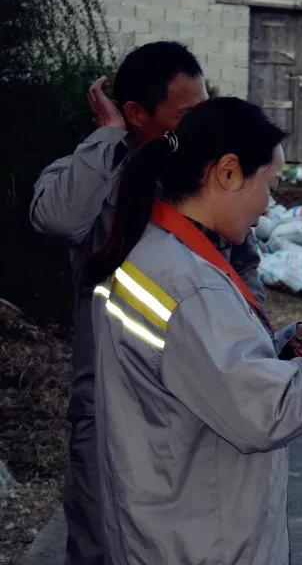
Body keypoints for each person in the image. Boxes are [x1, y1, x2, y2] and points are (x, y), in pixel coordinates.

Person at [83, 96, 302, 564]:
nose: (268, 204)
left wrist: (280, 350)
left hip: (161, 520)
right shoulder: (192, 285)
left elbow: (184, 367)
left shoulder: (151, 254)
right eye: (268, 184)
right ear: (228, 173)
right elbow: (268, 411)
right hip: (200, 541)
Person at [29, 41, 266, 565]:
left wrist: (263, 341)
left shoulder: (202, 180)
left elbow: (244, 265)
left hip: (201, 397)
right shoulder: (88, 176)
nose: (200, 122)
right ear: (136, 113)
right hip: (111, 407)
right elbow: (57, 220)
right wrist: (111, 135)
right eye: (186, 113)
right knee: (103, 544)